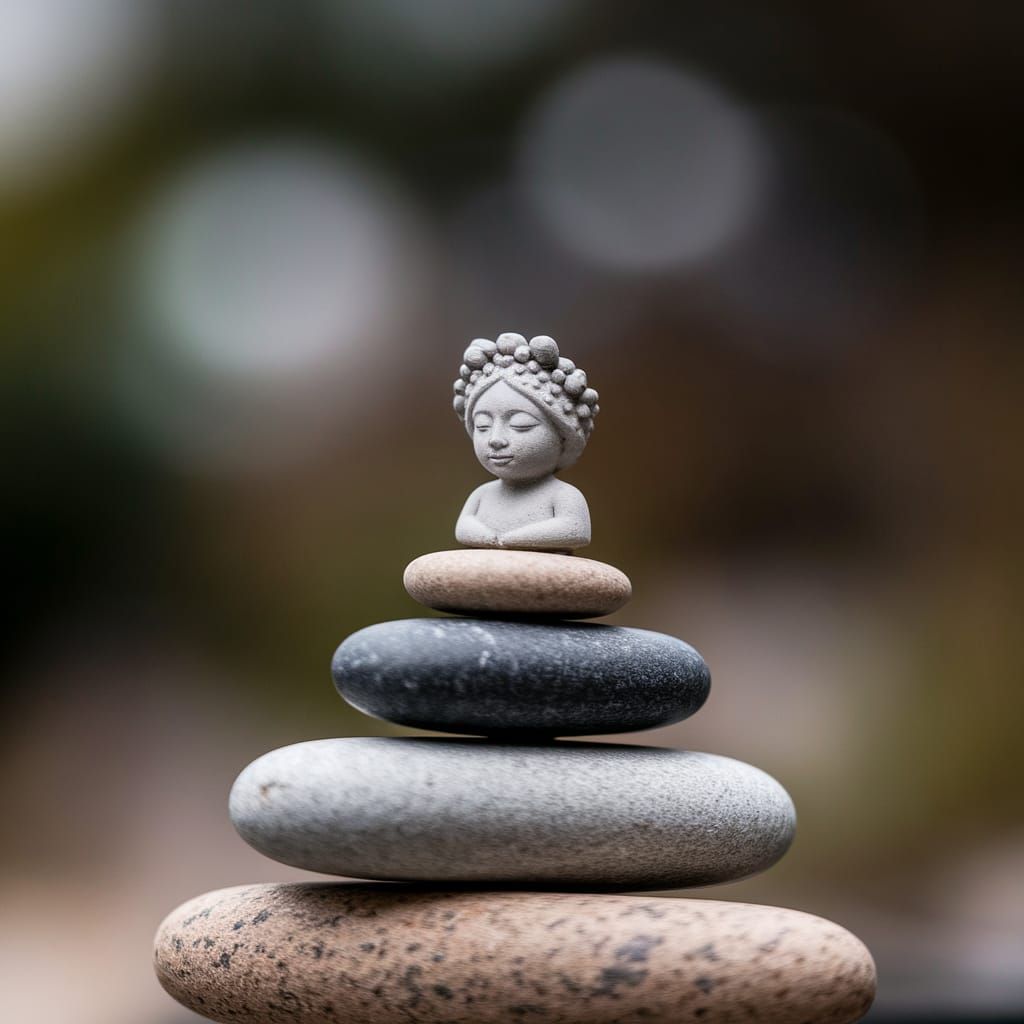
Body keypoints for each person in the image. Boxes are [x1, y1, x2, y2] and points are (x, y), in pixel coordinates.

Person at [452, 333, 599, 552]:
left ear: (562, 436)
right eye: (483, 426)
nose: (496, 440)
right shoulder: (483, 494)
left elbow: (576, 530)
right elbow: (463, 527)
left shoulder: (563, 495)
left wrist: (512, 538)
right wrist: (487, 537)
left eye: (521, 425)